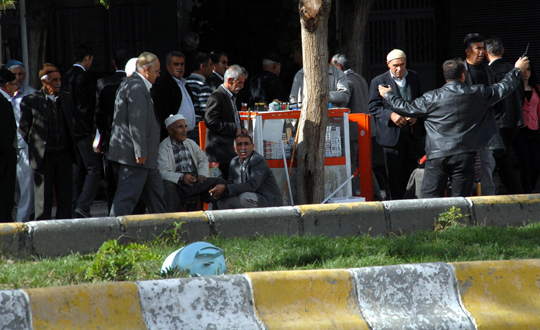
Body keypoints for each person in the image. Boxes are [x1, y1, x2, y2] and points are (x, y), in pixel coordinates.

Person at [378, 57, 528, 198]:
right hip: (464, 153)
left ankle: (431, 225)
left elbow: (407, 108)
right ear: (463, 76)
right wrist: (517, 70)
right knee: (461, 199)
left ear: (445, 77)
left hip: (437, 153)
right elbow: (503, 88)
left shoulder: (432, 97)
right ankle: (459, 225)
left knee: (430, 198)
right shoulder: (476, 93)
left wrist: (389, 95)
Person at [107, 52, 167, 217]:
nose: (159, 75)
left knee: (157, 197)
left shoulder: (132, 84)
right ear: (147, 70)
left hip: (145, 158)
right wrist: (140, 151)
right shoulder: (137, 87)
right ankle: (112, 237)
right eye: (157, 71)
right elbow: (137, 122)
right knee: (126, 199)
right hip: (137, 157)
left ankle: (168, 233)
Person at [20, 64, 77, 220]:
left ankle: (64, 229)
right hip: (44, 156)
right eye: (54, 80)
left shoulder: (66, 97)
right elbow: (24, 129)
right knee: (42, 199)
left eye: (59, 79)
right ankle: (42, 232)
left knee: (65, 196)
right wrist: (37, 145)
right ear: (44, 83)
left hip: (64, 154)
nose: (59, 83)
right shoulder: (31, 100)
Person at [368, 49, 425, 200]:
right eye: (395, 65)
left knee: (413, 172)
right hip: (391, 136)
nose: (399, 69)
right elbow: (373, 107)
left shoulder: (414, 77)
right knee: (394, 174)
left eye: (402, 64)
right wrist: (391, 115)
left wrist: (416, 116)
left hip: (412, 134)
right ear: (388, 64)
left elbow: (421, 101)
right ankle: (396, 204)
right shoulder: (378, 81)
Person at [331, 53, 382, 200]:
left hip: (352, 130)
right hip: (364, 129)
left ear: (338, 67)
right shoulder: (359, 78)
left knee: (352, 166)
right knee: (365, 165)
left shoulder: (345, 80)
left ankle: (353, 195)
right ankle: (375, 194)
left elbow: (343, 104)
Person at [62, 43, 101, 218]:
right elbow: (86, 109)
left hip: (68, 131)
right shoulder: (85, 78)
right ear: (87, 59)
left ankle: (73, 205)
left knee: (76, 171)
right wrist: (90, 132)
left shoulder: (65, 76)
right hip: (82, 132)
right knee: (94, 169)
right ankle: (83, 205)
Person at [158, 114, 226, 212]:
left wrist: (202, 173)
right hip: (178, 184)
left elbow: (203, 159)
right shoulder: (164, 147)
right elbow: (162, 172)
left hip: (194, 180)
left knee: (221, 183)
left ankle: (215, 214)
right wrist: (181, 177)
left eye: (185, 126)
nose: (184, 130)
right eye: (180, 127)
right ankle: (173, 221)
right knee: (168, 186)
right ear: (170, 130)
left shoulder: (190, 143)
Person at [484, 37, 524, 194]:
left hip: (496, 122)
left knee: (499, 160)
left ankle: (507, 191)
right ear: (503, 51)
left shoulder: (488, 71)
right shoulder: (513, 70)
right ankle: (513, 190)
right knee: (503, 158)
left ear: (486, 53)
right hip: (513, 120)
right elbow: (519, 94)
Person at [462, 33, 497, 196]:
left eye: (483, 48)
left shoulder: (487, 69)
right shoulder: (461, 70)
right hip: (467, 126)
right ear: (468, 51)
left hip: (486, 124)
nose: (482, 52)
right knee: (466, 164)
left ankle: (489, 199)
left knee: (486, 163)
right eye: (478, 48)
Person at [94, 50, 129, 212]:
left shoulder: (103, 84)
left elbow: (98, 118)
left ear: (114, 62)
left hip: (110, 141)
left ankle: (112, 214)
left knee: (112, 183)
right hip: (131, 144)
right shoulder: (136, 87)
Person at [209, 134, 283, 209]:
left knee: (245, 198)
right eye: (239, 145)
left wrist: (225, 188)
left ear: (252, 147)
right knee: (223, 202)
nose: (243, 148)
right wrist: (220, 192)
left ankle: (256, 220)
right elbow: (231, 183)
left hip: (268, 201)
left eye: (246, 144)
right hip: (248, 198)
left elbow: (252, 185)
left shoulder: (258, 160)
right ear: (235, 148)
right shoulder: (234, 162)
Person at [204, 65, 249, 180]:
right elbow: (211, 122)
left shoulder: (231, 97)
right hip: (219, 153)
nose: (242, 86)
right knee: (220, 185)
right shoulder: (217, 96)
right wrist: (235, 129)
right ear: (230, 81)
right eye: (239, 83)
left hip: (227, 151)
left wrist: (241, 130)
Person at [7, 60, 36, 221]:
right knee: (14, 186)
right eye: (14, 75)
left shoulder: (32, 94)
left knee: (26, 186)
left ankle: (22, 221)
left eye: (20, 74)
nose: (18, 78)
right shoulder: (4, 95)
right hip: (8, 147)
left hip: (25, 146)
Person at [151, 51, 197, 142]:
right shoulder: (163, 85)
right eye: (176, 64)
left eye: (182, 64)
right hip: (173, 137)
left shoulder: (184, 84)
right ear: (168, 66)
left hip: (189, 135)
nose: (179, 67)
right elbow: (162, 114)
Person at [513, 62, 540, 193]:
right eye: (523, 69)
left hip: (535, 130)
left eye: (528, 69)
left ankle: (531, 188)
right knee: (526, 165)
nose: (526, 72)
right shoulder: (515, 88)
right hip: (520, 130)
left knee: (536, 165)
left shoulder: (537, 88)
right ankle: (526, 192)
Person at [0, 69, 18, 222]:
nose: (15, 89)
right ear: (7, 85)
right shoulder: (4, 104)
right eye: (13, 85)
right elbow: (6, 134)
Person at [185, 52, 214, 129]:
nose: (213, 67)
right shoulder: (203, 87)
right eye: (211, 64)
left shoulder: (183, 83)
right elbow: (208, 115)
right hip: (197, 131)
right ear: (203, 66)